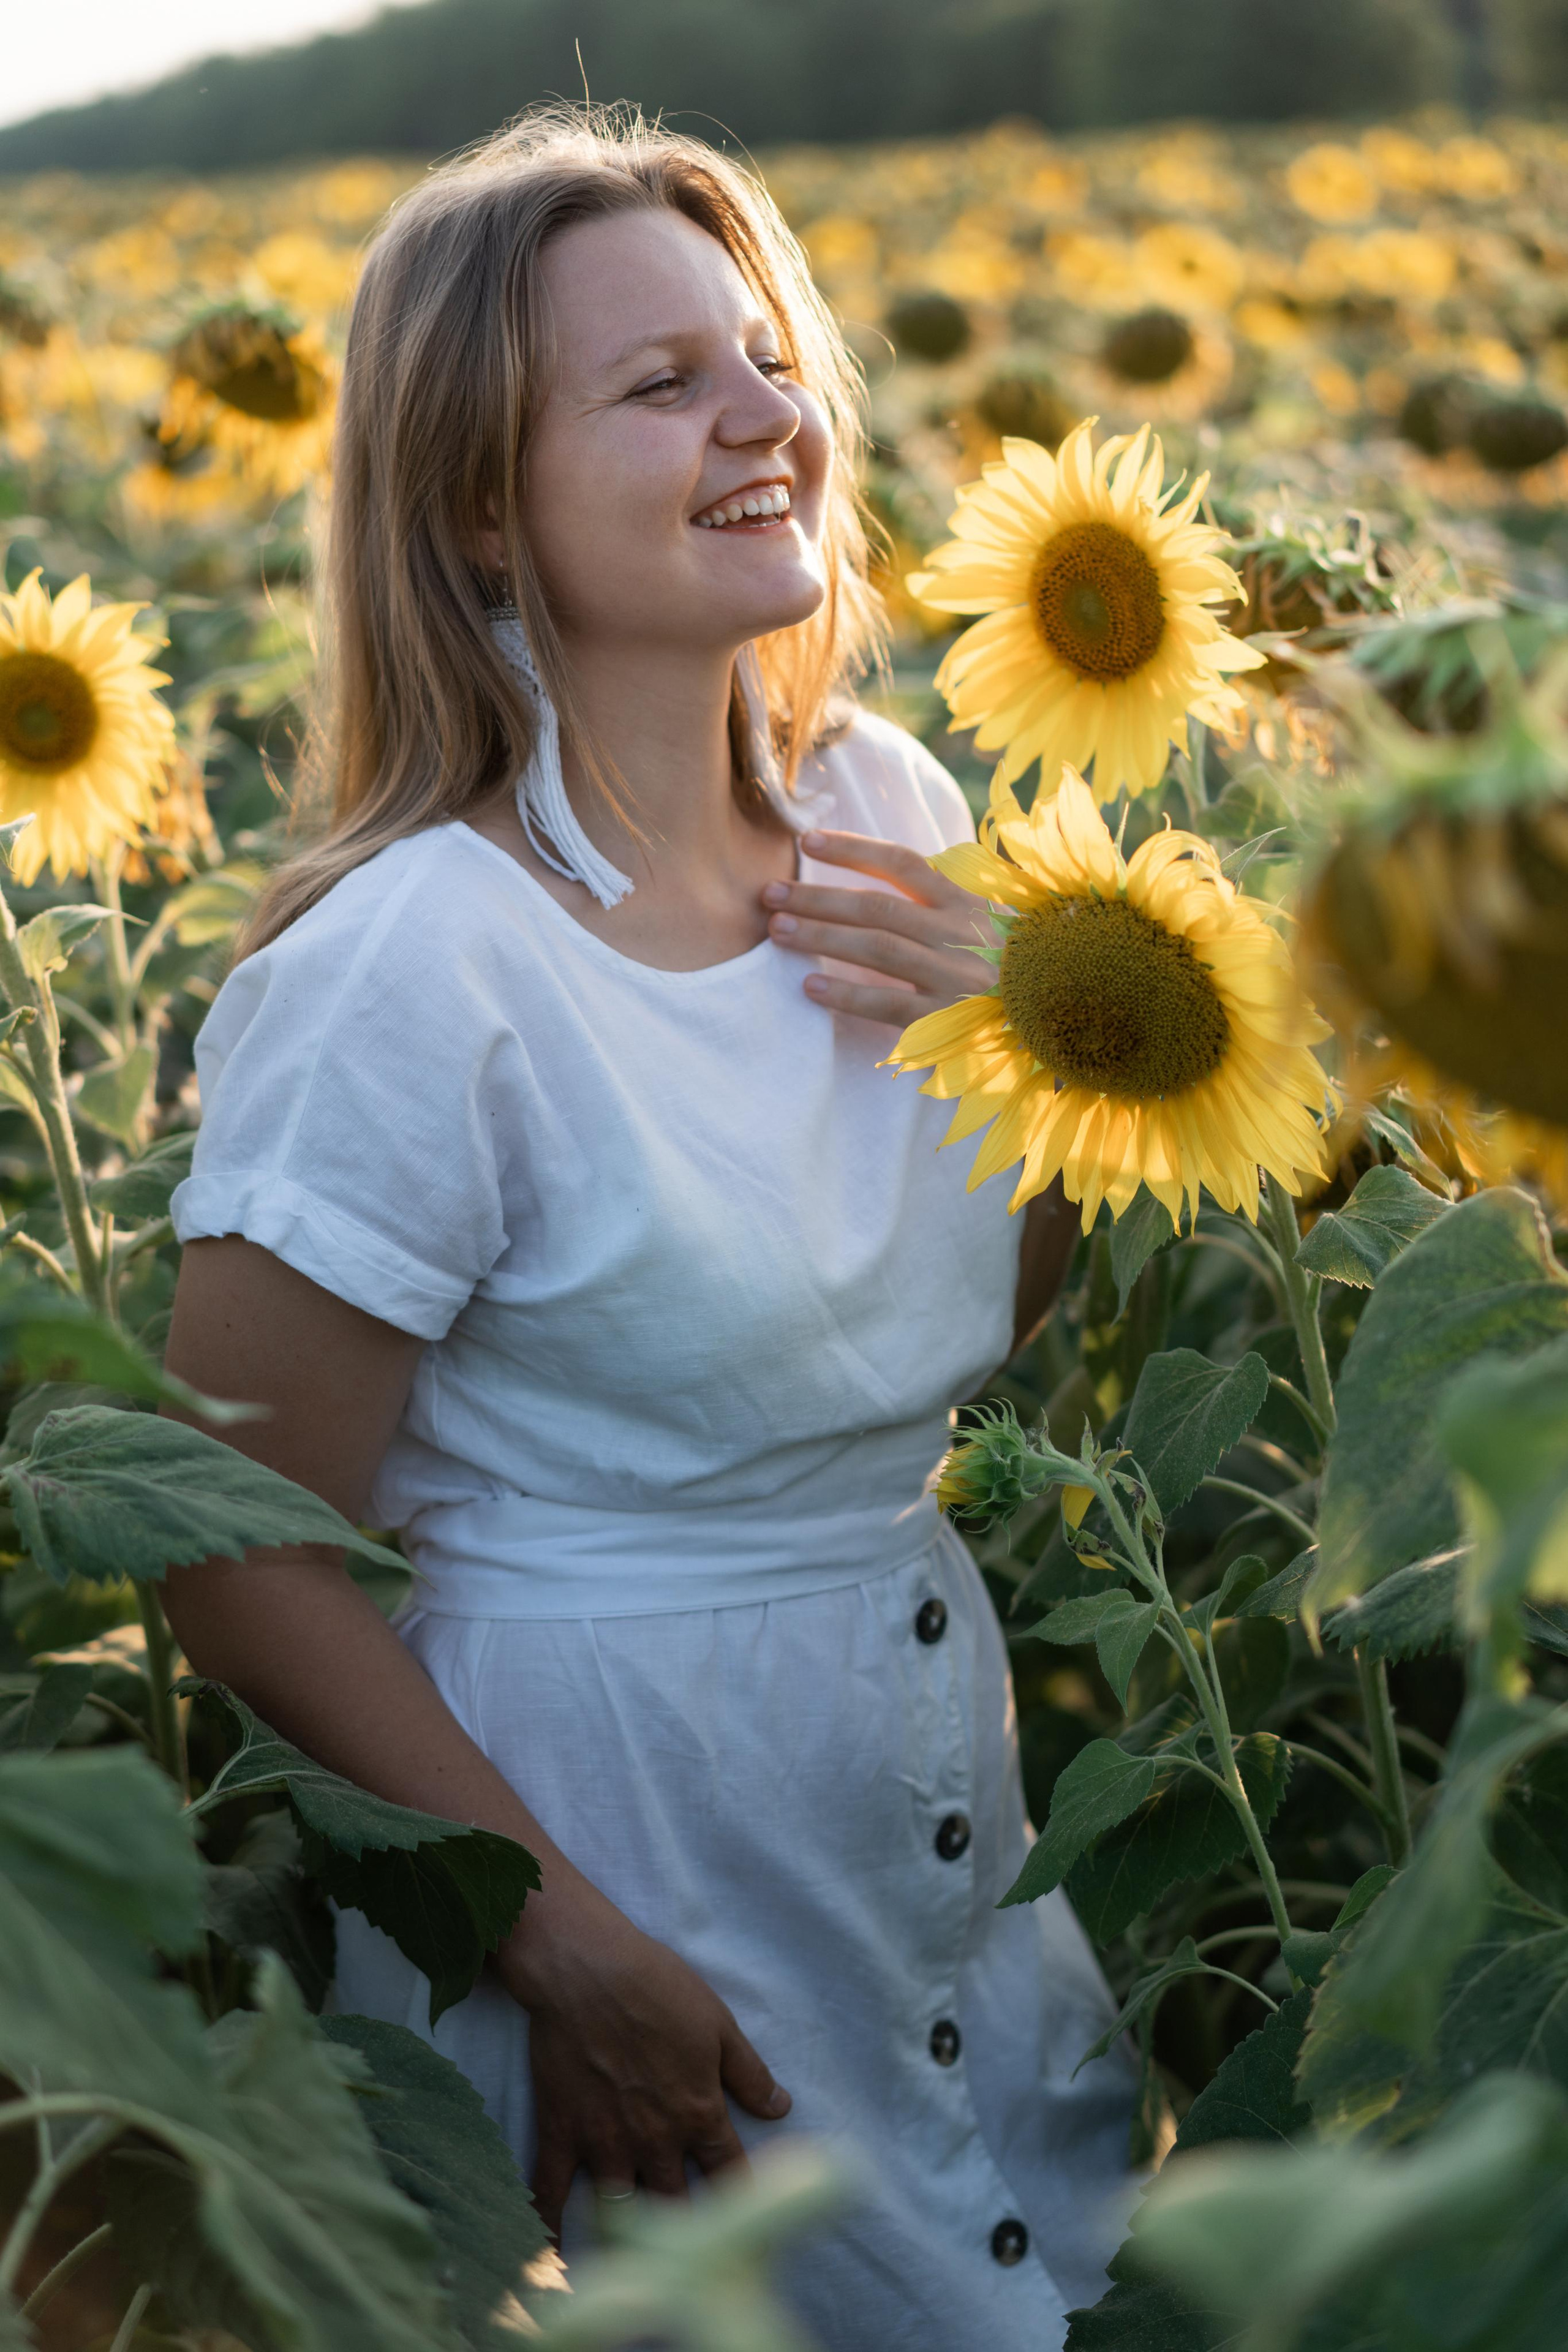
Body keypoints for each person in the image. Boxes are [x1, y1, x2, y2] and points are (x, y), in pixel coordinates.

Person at [159, 105, 1134, 2352]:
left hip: (923, 1780)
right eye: (660, 383)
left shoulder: (891, 819)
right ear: (480, 503)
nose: (765, 416)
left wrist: (1051, 1049)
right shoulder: (419, 968)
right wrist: (554, 1939)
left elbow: (985, 1310)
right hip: (611, 1838)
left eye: (763, 354)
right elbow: (231, 1544)